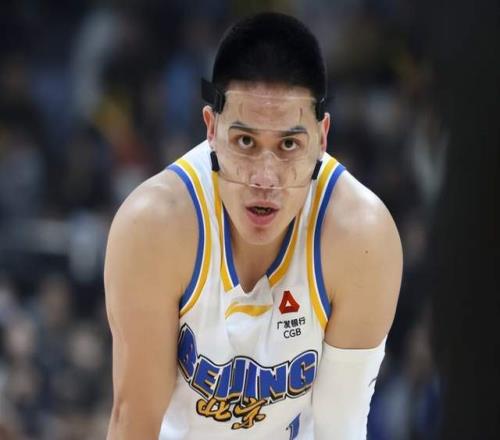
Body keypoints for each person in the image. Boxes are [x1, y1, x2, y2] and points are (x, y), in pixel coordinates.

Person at [104, 12, 402, 440]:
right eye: (245, 142)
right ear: (211, 129)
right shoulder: (154, 226)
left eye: (288, 144)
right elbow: (134, 424)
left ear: (322, 138)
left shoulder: (362, 238)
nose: (264, 178)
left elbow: (341, 429)